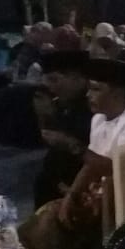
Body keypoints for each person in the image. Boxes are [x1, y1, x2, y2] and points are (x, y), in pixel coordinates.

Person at [58, 59, 125, 228]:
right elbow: (91, 165)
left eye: (96, 89)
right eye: (89, 88)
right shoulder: (99, 118)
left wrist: (72, 145)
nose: (88, 95)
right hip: (103, 197)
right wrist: (72, 195)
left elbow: (119, 169)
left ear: (117, 93)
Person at [32, 50, 94, 209]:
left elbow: (96, 158)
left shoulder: (93, 110)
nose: (50, 87)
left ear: (78, 78)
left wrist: (66, 142)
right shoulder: (63, 107)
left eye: (54, 80)